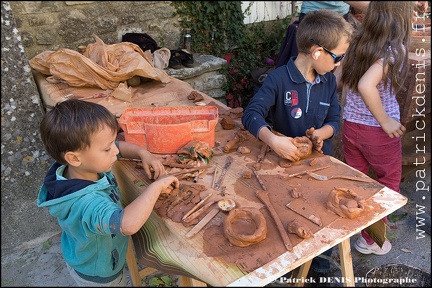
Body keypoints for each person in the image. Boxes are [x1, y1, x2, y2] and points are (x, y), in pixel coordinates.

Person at [242, 9, 354, 285]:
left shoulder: (327, 80)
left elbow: (333, 119)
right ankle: (287, 267)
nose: (339, 64)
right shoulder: (279, 79)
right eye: (338, 57)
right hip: (283, 169)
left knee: (323, 215)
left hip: (319, 166)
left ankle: (318, 265)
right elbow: (251, 114)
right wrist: (274, 140)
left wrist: (322, 134)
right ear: (317, 52)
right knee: (290, 220)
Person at [37, 99, 179, 286]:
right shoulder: (86, 202)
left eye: (112, 143)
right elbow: (126, 224)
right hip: (100, 274)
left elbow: (119, 149)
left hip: (86, 253)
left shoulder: (80, 167)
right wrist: (155, 187)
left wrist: (143, 153)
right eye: (107, 148)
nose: (114, 151)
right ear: (73, 158)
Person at [340, 2, 415, 255]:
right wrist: (385, 120)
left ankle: (356, 226)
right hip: (378, 134)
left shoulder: (357, 41)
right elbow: (365, 85)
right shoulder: (394, 50)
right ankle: (371, 240)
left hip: (351, 127)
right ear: (403, 18)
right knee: (388, 183)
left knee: (357, 180)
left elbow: (339, 79)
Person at [275, 1, 369, 68]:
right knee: (312, 61)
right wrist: (379, 7)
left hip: (340, 15)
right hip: (316, 16)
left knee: (332, 60)